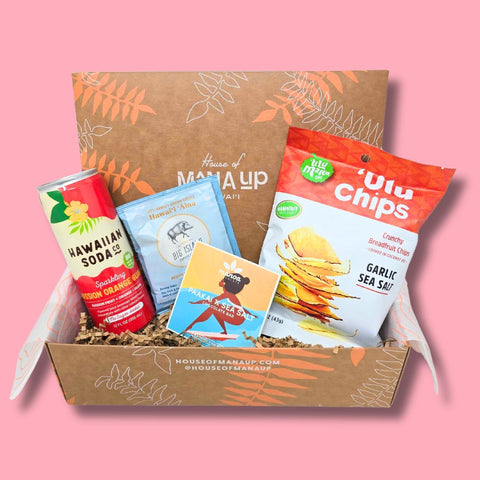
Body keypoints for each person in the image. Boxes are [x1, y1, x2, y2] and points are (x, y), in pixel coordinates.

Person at [184, 273, 257, 335]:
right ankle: (225, 331)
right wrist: (251, 314)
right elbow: (240, 308)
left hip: (238, 318)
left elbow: (211, 300)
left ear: (226, 286)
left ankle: (191, 325)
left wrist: (196, 302)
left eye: (223, 283)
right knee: (216, 309)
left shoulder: (228, 295)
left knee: (213, 308)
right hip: (238, 316)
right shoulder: (230, 295)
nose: (221, 284)